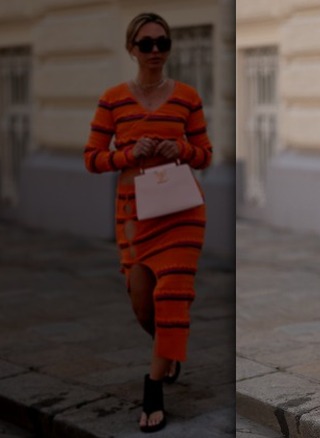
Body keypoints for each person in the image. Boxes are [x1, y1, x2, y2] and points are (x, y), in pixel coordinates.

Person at [84, 12, 212, 433]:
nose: (155, 51)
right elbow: (92, 159)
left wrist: (179, 147)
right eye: (146, 44)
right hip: (134, 212)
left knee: (172, 295)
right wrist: (128, 155)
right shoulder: (113, 98)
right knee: (142, 302)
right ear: (131, 49)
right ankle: (168, 348)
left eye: (162, 43)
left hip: (180, 212)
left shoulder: (187, 96)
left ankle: (153, 387)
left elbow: (205, 154)